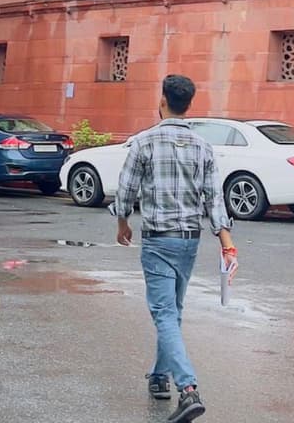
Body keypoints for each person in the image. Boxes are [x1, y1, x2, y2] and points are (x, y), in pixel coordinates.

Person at [111, 75, 237, 423]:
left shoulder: (144, 142)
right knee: (173, 311)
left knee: (164, 313)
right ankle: (159, 378)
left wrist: (122, 222)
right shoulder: (202, 147)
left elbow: (126, 190)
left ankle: (188, 389)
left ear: (162, 100)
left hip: (157, 239)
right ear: (189, 105)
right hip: (189, 240)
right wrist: (226, 241)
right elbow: (214, 198)